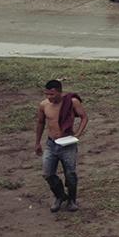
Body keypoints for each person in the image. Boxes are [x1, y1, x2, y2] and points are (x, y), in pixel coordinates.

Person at [34, 79, 86, 212]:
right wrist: (37, 142)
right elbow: (41, 123)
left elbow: (84, 117)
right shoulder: (43, 105)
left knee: (70, 174)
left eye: (52, 94)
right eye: (47, 94)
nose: (49, 97)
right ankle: (60, 196)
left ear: (59, 92)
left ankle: (72, 200)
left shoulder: (72, 102)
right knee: (47, 173)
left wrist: (77, 135)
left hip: (67, 143)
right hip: (51, 144)